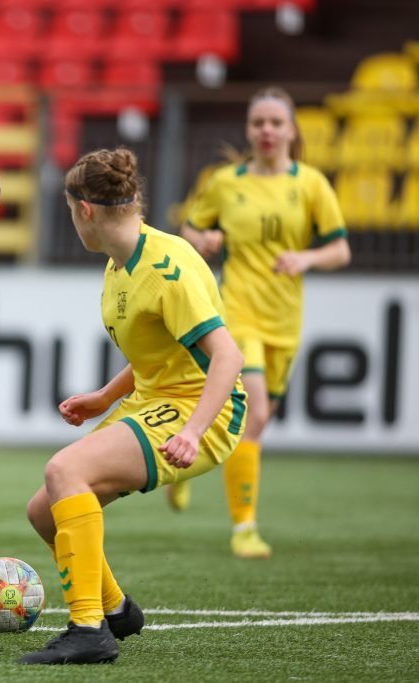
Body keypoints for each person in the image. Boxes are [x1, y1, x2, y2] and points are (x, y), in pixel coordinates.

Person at [19, 148, 246, 665]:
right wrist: (105, 397)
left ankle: (88, 631)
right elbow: (159, 351)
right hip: (155, 401)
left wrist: (192, 431)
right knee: (43, 511)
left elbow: (227, 357)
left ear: (86, 210)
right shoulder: (122, 261)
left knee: (64, 469)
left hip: (199, 411)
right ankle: (116, 610)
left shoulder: (168, 268)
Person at [171, 86, 351, 559]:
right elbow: (188, 228)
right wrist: (203, 238)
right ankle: (244, 528)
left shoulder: (311, 184)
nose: (267, 131)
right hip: (238, 310)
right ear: (249, 131)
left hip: (285, 320)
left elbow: (340, 248)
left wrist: (306, 258)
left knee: (248, 423)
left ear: (291, 129)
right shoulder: (226, 182)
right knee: (257, 415)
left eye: (275, 122)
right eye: (258, 123)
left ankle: (180, 463)